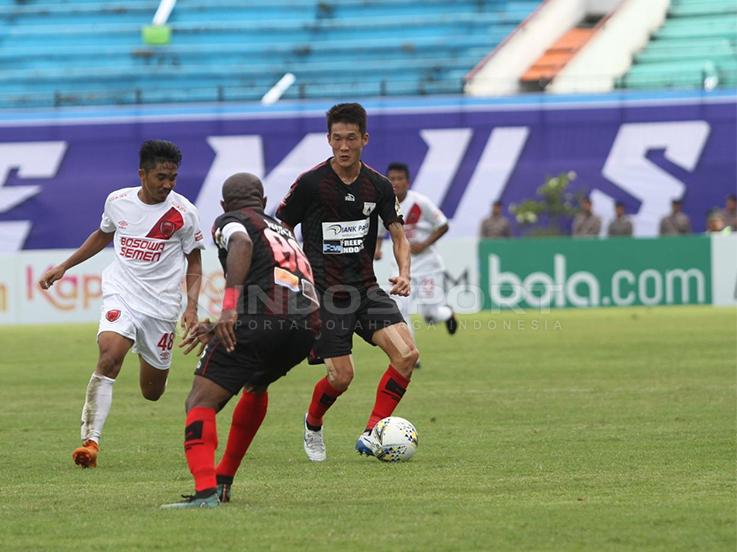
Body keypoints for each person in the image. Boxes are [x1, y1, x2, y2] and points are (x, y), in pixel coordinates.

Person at [38, 140, 204, 468]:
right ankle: (90, 442)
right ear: (142, 174)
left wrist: (192, 306)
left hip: (161, 308)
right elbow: (103, 235)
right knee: (110, 353)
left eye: (173, 177)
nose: (167, 184)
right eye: (160, 176)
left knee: (152, 391)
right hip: (122, 292)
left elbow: (195, 262)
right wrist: (64, 266)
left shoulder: (184, 213)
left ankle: (151, 356)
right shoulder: (118, 201)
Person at [161, 173, 319, 509]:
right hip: (306, 325)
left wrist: (229, 311)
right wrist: (226, 322)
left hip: (263, 319)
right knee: (257, 383)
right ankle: (223, 481)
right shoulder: (282, 229)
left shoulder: (232, 221)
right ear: (263, 202)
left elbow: (242, 243)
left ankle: (205, 493)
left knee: (199, 402)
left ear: (223, 205)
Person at [275, 102, 419, 462]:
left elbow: (399, 235)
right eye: (336, 139)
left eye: (350, 138)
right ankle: (313, 423)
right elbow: (281, 228)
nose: (343, 146)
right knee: (341, 377)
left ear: (364, 139)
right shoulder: (310, 184)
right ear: (328, 139)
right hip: (326, 294)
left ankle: (373, 432)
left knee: (407, 355)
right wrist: (292, 273)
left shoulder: (379, 186)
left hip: (367, 288)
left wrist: (404, 273)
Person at [376, 162, 457, 349]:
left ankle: (447, 313)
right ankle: (410, 352)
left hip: (427, 264)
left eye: (400, 178)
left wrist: (424, 244)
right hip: (400, 264)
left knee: (431, 315)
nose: (395, 182)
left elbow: (443, 225)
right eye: (392, 179)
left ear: (407, 181)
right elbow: (380, 231)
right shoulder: (385, 205)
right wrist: (377, 249)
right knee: (400, 310)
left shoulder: (420, 202)